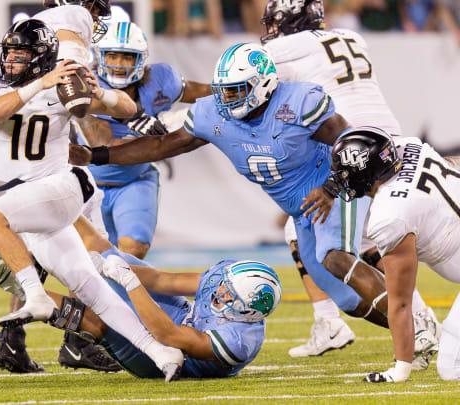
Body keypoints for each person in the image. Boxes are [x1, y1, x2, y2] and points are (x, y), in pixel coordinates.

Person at [70, 43, 436, 357]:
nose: (226, 99)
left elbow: (353, 145)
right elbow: (162, 145)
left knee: (336, 258)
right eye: (223, 90)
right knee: (343, 298)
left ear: (262, 85)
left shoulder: (299, 103)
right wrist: (98, 156)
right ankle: (419, 333)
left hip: (333, 189)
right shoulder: (214, 114)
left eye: (236, 90)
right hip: (304, 208)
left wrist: (331, 187)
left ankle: (417, 333)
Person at [0, 18, 184, 381]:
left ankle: (33, 293)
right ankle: (162, 353)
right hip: (30, 201)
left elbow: (127, 110)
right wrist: (40, 82)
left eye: (23, 54)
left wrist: (98, 92)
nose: (12, 61)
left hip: (59, 187)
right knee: (94, 291)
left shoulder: (63, 86)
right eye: (11, 53)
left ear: (41, 57)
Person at [260, 0, 439, 364]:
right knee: (372, 237)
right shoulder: (351, 36)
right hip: (386, 138)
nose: (273, 30)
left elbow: (254, 80)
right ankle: (416, 321)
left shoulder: (285, 48)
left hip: (351, 147)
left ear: (291, 20)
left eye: (277, 22)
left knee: (306, 229)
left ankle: (348, 323)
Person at [0, 0, 126, 375]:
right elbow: (77, 99)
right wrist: (120, 110)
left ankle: (12, 338)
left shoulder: (31, 27)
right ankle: (80, 340)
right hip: (52, 169)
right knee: (91, 243)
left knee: (35, 251)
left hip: (24, 160)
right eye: (96, 10)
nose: (96, 17)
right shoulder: (74, 18)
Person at [0, 215, 282, 379]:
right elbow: (164, 280)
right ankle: (60, 206)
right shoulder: (226, 280)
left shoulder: (237, 340)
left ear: (245, 311)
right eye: (223, 285)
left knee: (102, 323)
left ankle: (20, 285)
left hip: (170, 357)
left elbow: (165, 333)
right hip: (182, 319)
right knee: (105, 249)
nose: (218, 290)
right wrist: (117, 266)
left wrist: (127, 281)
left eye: (226, 294)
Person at [325, 127, 457, 382]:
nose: (341, 180)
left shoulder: (389, 216)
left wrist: (400, 371)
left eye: (345, 173)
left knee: (451, 367)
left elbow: (402, 301)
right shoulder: (410, 146)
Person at [78, 21, 212, 260]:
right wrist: (160, 133)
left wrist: (237, 90)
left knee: (132, 251)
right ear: (99, 57)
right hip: (87, 185)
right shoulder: (86, 85)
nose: (119, 65)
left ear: (140, 60)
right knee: (86, 264)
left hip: (135, 180)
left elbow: (205, 92)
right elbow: (106, 150)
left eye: (127, 57)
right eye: (113, 56)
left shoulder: (160, 79)